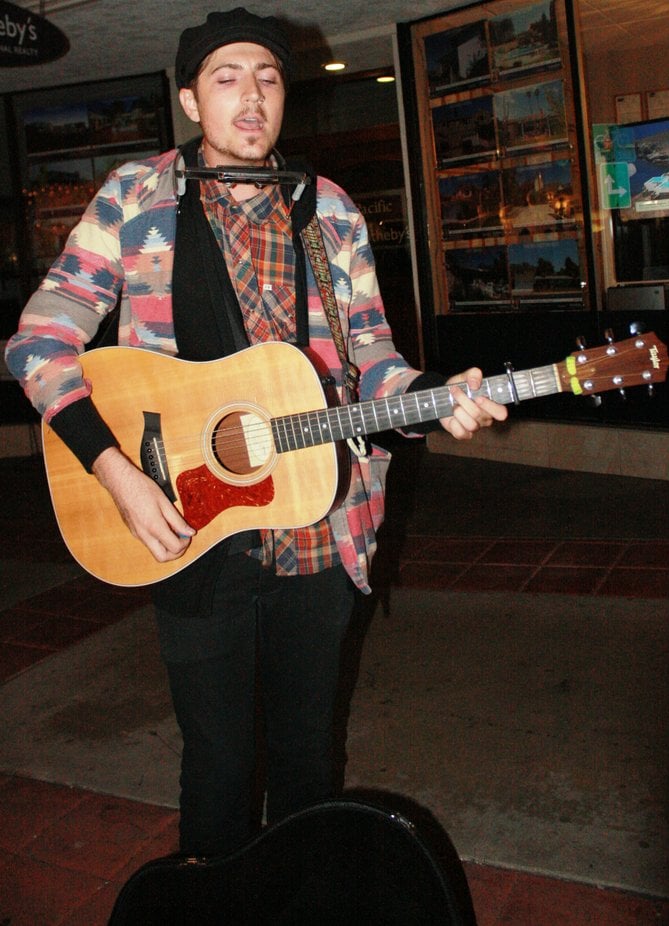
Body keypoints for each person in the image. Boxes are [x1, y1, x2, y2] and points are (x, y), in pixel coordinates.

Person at [5, 8, 508, 857]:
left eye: (268, 79)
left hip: (321, 532)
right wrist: (115, 470)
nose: (250, 98)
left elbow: (373, 362)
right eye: (227, 78)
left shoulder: (331, 213)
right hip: (188, 526)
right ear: (193, 100)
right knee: (217, 766)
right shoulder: (136, 200)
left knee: (310, 761)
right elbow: (38, 340)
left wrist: (431, 394)